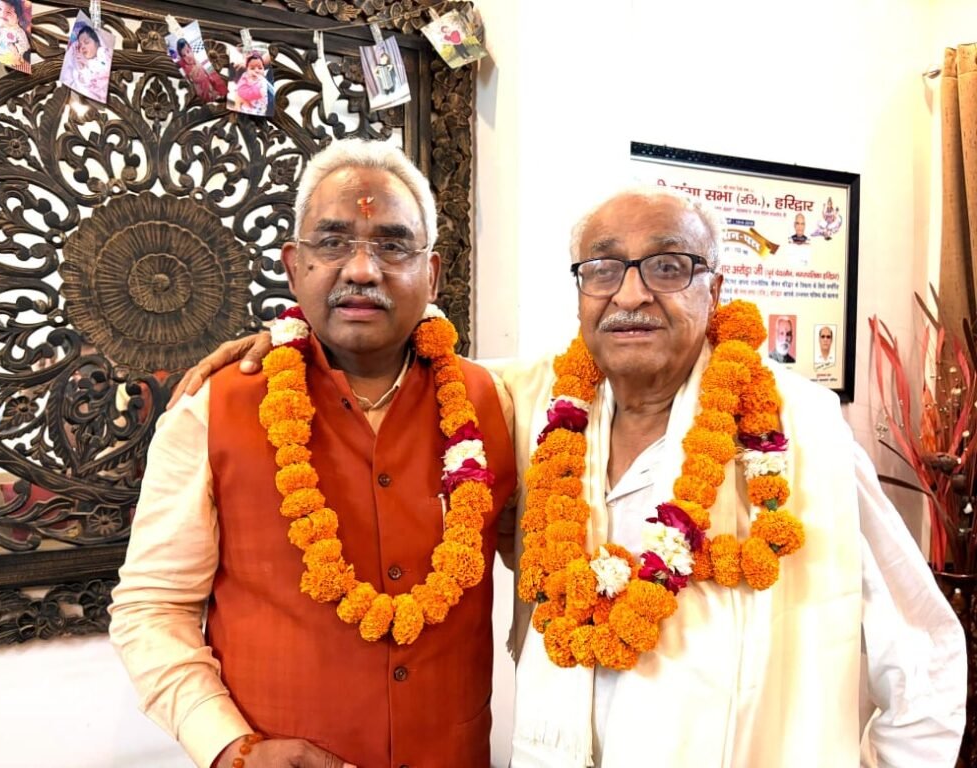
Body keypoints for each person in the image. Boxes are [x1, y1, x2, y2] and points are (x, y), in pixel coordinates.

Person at [178, 187, 965, 766]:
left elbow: (924, 657)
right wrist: (289, 342)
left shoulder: (799, 434)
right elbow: (403, 365)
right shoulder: (533, 407)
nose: (632, 294)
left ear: (716, 289)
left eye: (669, 266)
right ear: (581, 291)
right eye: (603, 269)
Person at [108, 139, 517, 768]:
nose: (362, 270)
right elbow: (151, 607)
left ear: (432, 274)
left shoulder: (495, 401)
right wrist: (228, 746)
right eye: (332, 243)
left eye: (392, 245)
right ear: (294, 266)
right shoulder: (212, 410)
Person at [60, 23, 110, 101]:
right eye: (80, 45)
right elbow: (85, 83)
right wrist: (82, 69)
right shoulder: (83, 63)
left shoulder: (102, 53)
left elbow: (104, 68)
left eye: (86, 42)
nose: (83, 47)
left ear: (97, 43)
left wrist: (87, 62)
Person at [175, 38, 227, 102]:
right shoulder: (184, 65)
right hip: (201, 86)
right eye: (184, 55)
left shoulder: (198, 57)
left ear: (190, 49)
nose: (187, 56)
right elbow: (190, 77)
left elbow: (210, 72)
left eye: (188, 51)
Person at [230, 51, 273, 116]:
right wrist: (259, 91)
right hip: (252, 109)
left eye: (260, 68)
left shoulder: (263, 79)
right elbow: (242, 91)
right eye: (252, 68)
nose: (257, 70)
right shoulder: (244, 79)